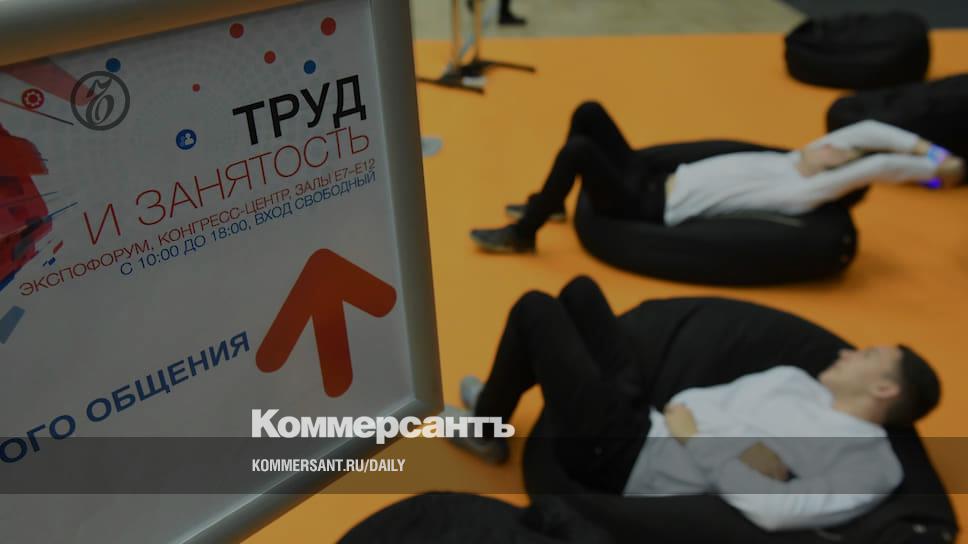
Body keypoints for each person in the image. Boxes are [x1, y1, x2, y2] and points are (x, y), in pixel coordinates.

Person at [446, 276, 942, 531]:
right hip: (651, 419)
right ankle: (499, 394)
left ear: (885, 389)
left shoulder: (872, 465)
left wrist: (699, 441)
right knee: (579, 294)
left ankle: (487, 424)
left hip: (627, 460)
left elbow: (775, 510)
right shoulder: (797, 381)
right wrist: (743, 453)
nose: (848, 352)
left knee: (535, 309)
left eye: (867, 356)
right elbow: (693, 402)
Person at [470, 101, 966, 252]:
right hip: (649, 174)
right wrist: (931, 149)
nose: (833, 144)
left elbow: (877, 165)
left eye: (839, 153)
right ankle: (555, 204)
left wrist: (938, 171)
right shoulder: (796, 157)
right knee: (588, 113)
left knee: (579, 150)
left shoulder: (802, 192)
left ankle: (524, 233)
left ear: (841, 174)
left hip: (647, 205)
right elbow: (869, 132)